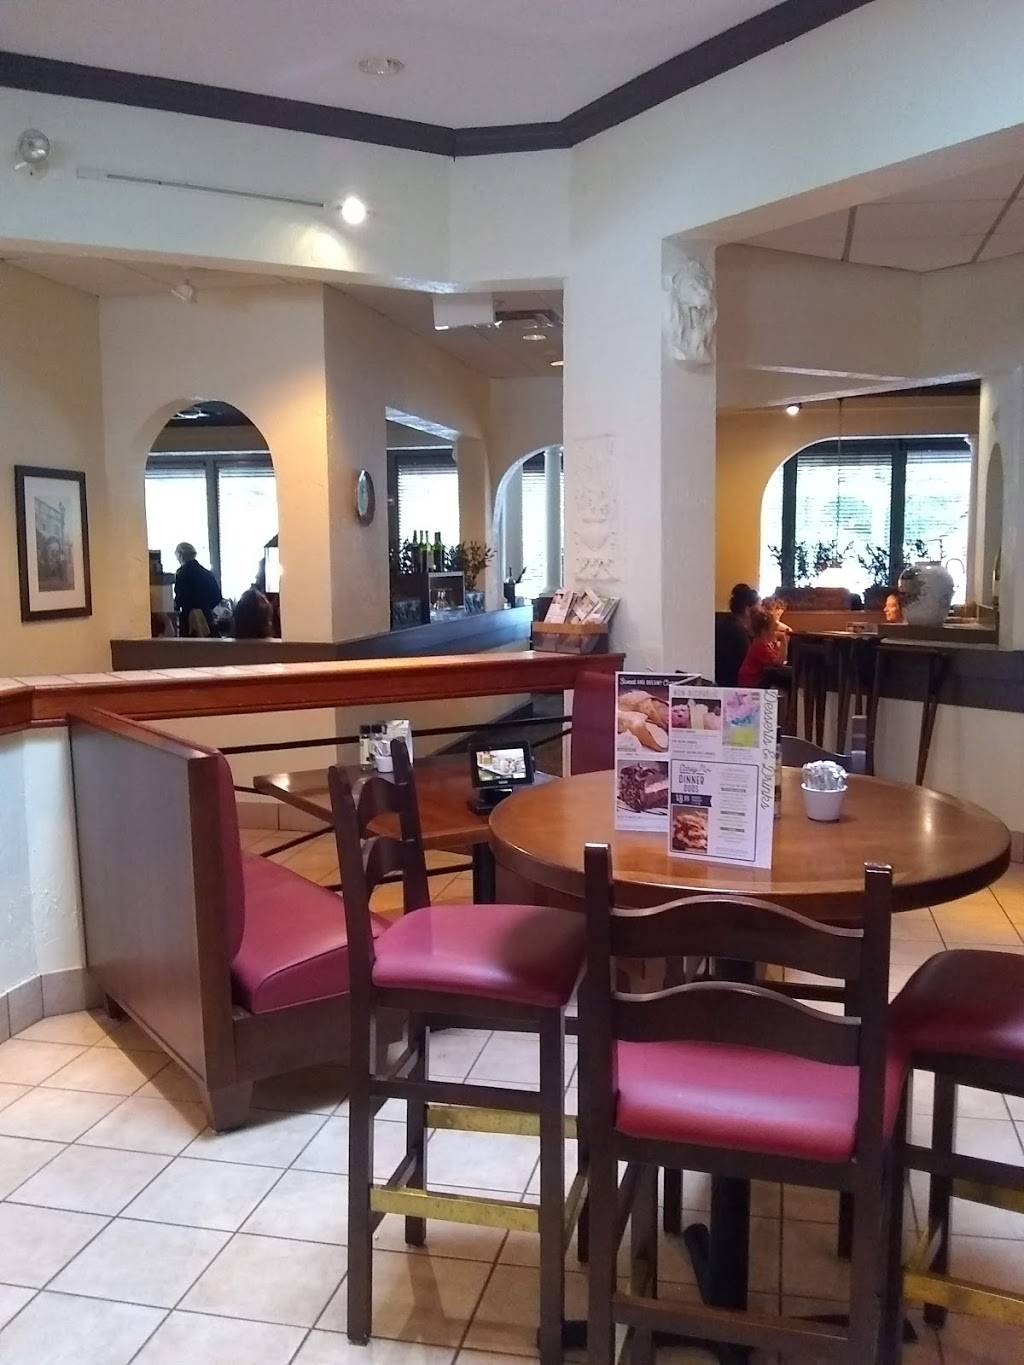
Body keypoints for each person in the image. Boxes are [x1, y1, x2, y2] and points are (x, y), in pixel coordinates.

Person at [715, 583, 760, 687]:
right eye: (758, 606)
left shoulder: (727, 623)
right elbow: (750, 661)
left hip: (722, 680)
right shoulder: (738, 631)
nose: (761, 611)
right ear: (747, 609)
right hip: (734, 684)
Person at [173, 542, 222, 637]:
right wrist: (206, 607)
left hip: (189, 619)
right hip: (207, 617)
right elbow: (217, 596)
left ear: (181, 555)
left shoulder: (182, 573)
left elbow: (181, 598)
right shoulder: (206, 573)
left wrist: (175, 607)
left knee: (190, 645)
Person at [738, 602, 791, 688]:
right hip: (751, 683)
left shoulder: (766, 644)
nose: (775, 632)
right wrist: (783, 641)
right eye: (773, 630)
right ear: (764, 631)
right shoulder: (759, 646)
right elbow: (779, 662)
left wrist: (776, 644)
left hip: (757, 680)